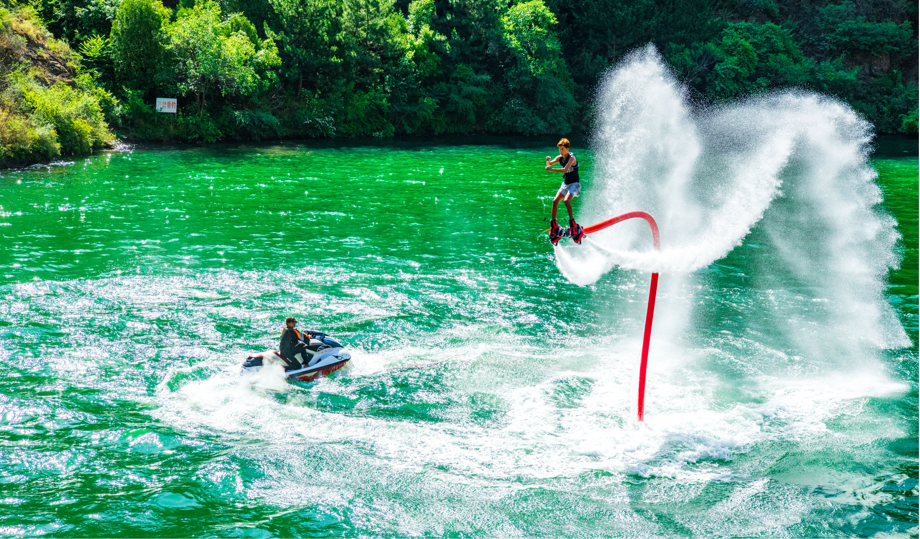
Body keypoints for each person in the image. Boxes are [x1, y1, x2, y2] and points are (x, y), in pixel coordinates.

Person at [545, 138, 585, 245]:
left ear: (567, 148)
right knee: (555, 201)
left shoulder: (572, 158)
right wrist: (548, 161)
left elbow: (565, 170)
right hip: (566, 184)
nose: (560, 151)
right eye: (559, 149)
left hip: (575, 184)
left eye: (562, 149)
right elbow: (549, 165)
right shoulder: (560, 158)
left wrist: (551, 169)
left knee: (566, 201)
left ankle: (573, 224)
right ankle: (554, 225)